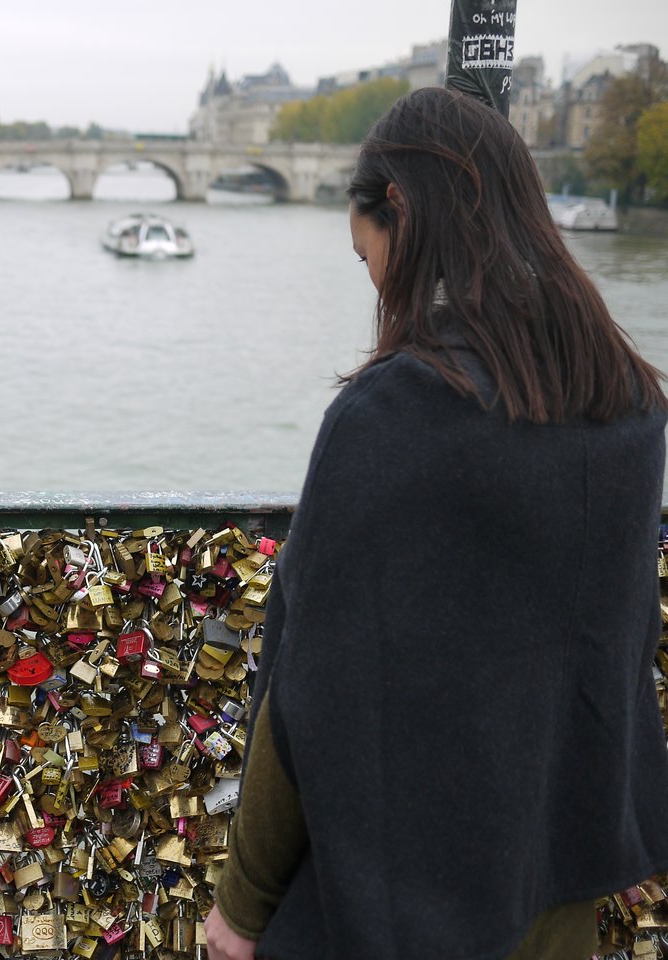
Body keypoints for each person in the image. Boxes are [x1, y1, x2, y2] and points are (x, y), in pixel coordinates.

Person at [204, 87, 668, 960]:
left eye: (366, 254)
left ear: (401, 211)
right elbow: (617, 642)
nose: (376, 279)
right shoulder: (629, 402)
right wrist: (616, 814)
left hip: (392, 903)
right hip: (554, 888)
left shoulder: (395, 414)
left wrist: (244, 900)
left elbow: (315, 679)